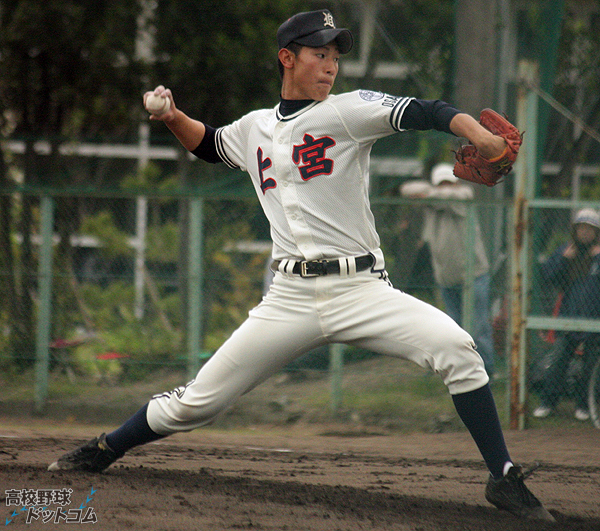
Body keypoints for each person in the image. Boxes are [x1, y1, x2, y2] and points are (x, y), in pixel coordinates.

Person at [48, 9, 553, 522]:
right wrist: (171, 115)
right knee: (196, 403)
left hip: (363, 289)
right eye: (320, 54)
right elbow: (210, 145)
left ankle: (503, 477)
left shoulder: (349, 111)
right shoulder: (255, 127)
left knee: (458, 351)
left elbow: (429, 110)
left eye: (335, 56)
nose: (331, 66)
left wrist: (480, 136)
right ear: (288, 58)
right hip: (288, 298)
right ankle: (105, 448)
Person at [401, 163, 495, 376]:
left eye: (448, 184)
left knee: (478, 328)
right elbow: (406, 189)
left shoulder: (462, 196)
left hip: (474, 275)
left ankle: (486, 370)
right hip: (446, 279)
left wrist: (429, 193)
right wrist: (429, 193)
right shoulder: (432, 202)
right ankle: (460, 370)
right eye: (440, 184)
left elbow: (459, 194)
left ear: (455, 183)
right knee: (453, 330)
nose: (445, 189)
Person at [533, 207, 600, 422]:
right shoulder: (566, 250)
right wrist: (564, 259)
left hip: (594, 320)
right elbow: (548, 277)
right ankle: (548, 402)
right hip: (568, 318)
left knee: (590, 365)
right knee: (559, 360)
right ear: (575, 230)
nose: (585, 233)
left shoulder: (598, 255)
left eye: (590, 230)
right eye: (581, 228)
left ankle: (583, 405)